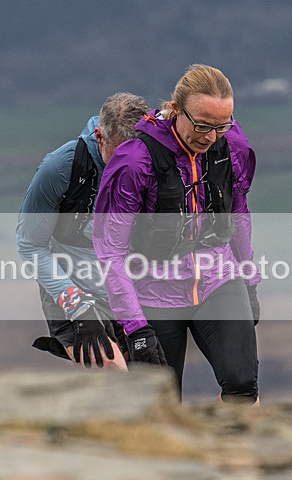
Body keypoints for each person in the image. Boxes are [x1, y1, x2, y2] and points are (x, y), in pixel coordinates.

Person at [93, 65, 261, 402]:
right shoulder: (134, 161)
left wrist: (250, 282)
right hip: (153, 294)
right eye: (201, 125)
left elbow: (238, 214)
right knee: (160, 402)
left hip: (219, 282)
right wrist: (135, 326)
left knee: (242, 384)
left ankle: (233, 454)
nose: (210, 137)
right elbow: (111, 250)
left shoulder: (232, 146)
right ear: (176, 108)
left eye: (220, 126)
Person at [17, 92, 150, 369]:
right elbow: (30, 245)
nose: (126, 166)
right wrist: (78, 309)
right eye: (118, 154)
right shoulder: (61, 167)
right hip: (72, 289)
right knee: (115, 374)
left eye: (135, 155)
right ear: (100, 136)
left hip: (128, 290)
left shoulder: (155, 159)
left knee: (153, 377)